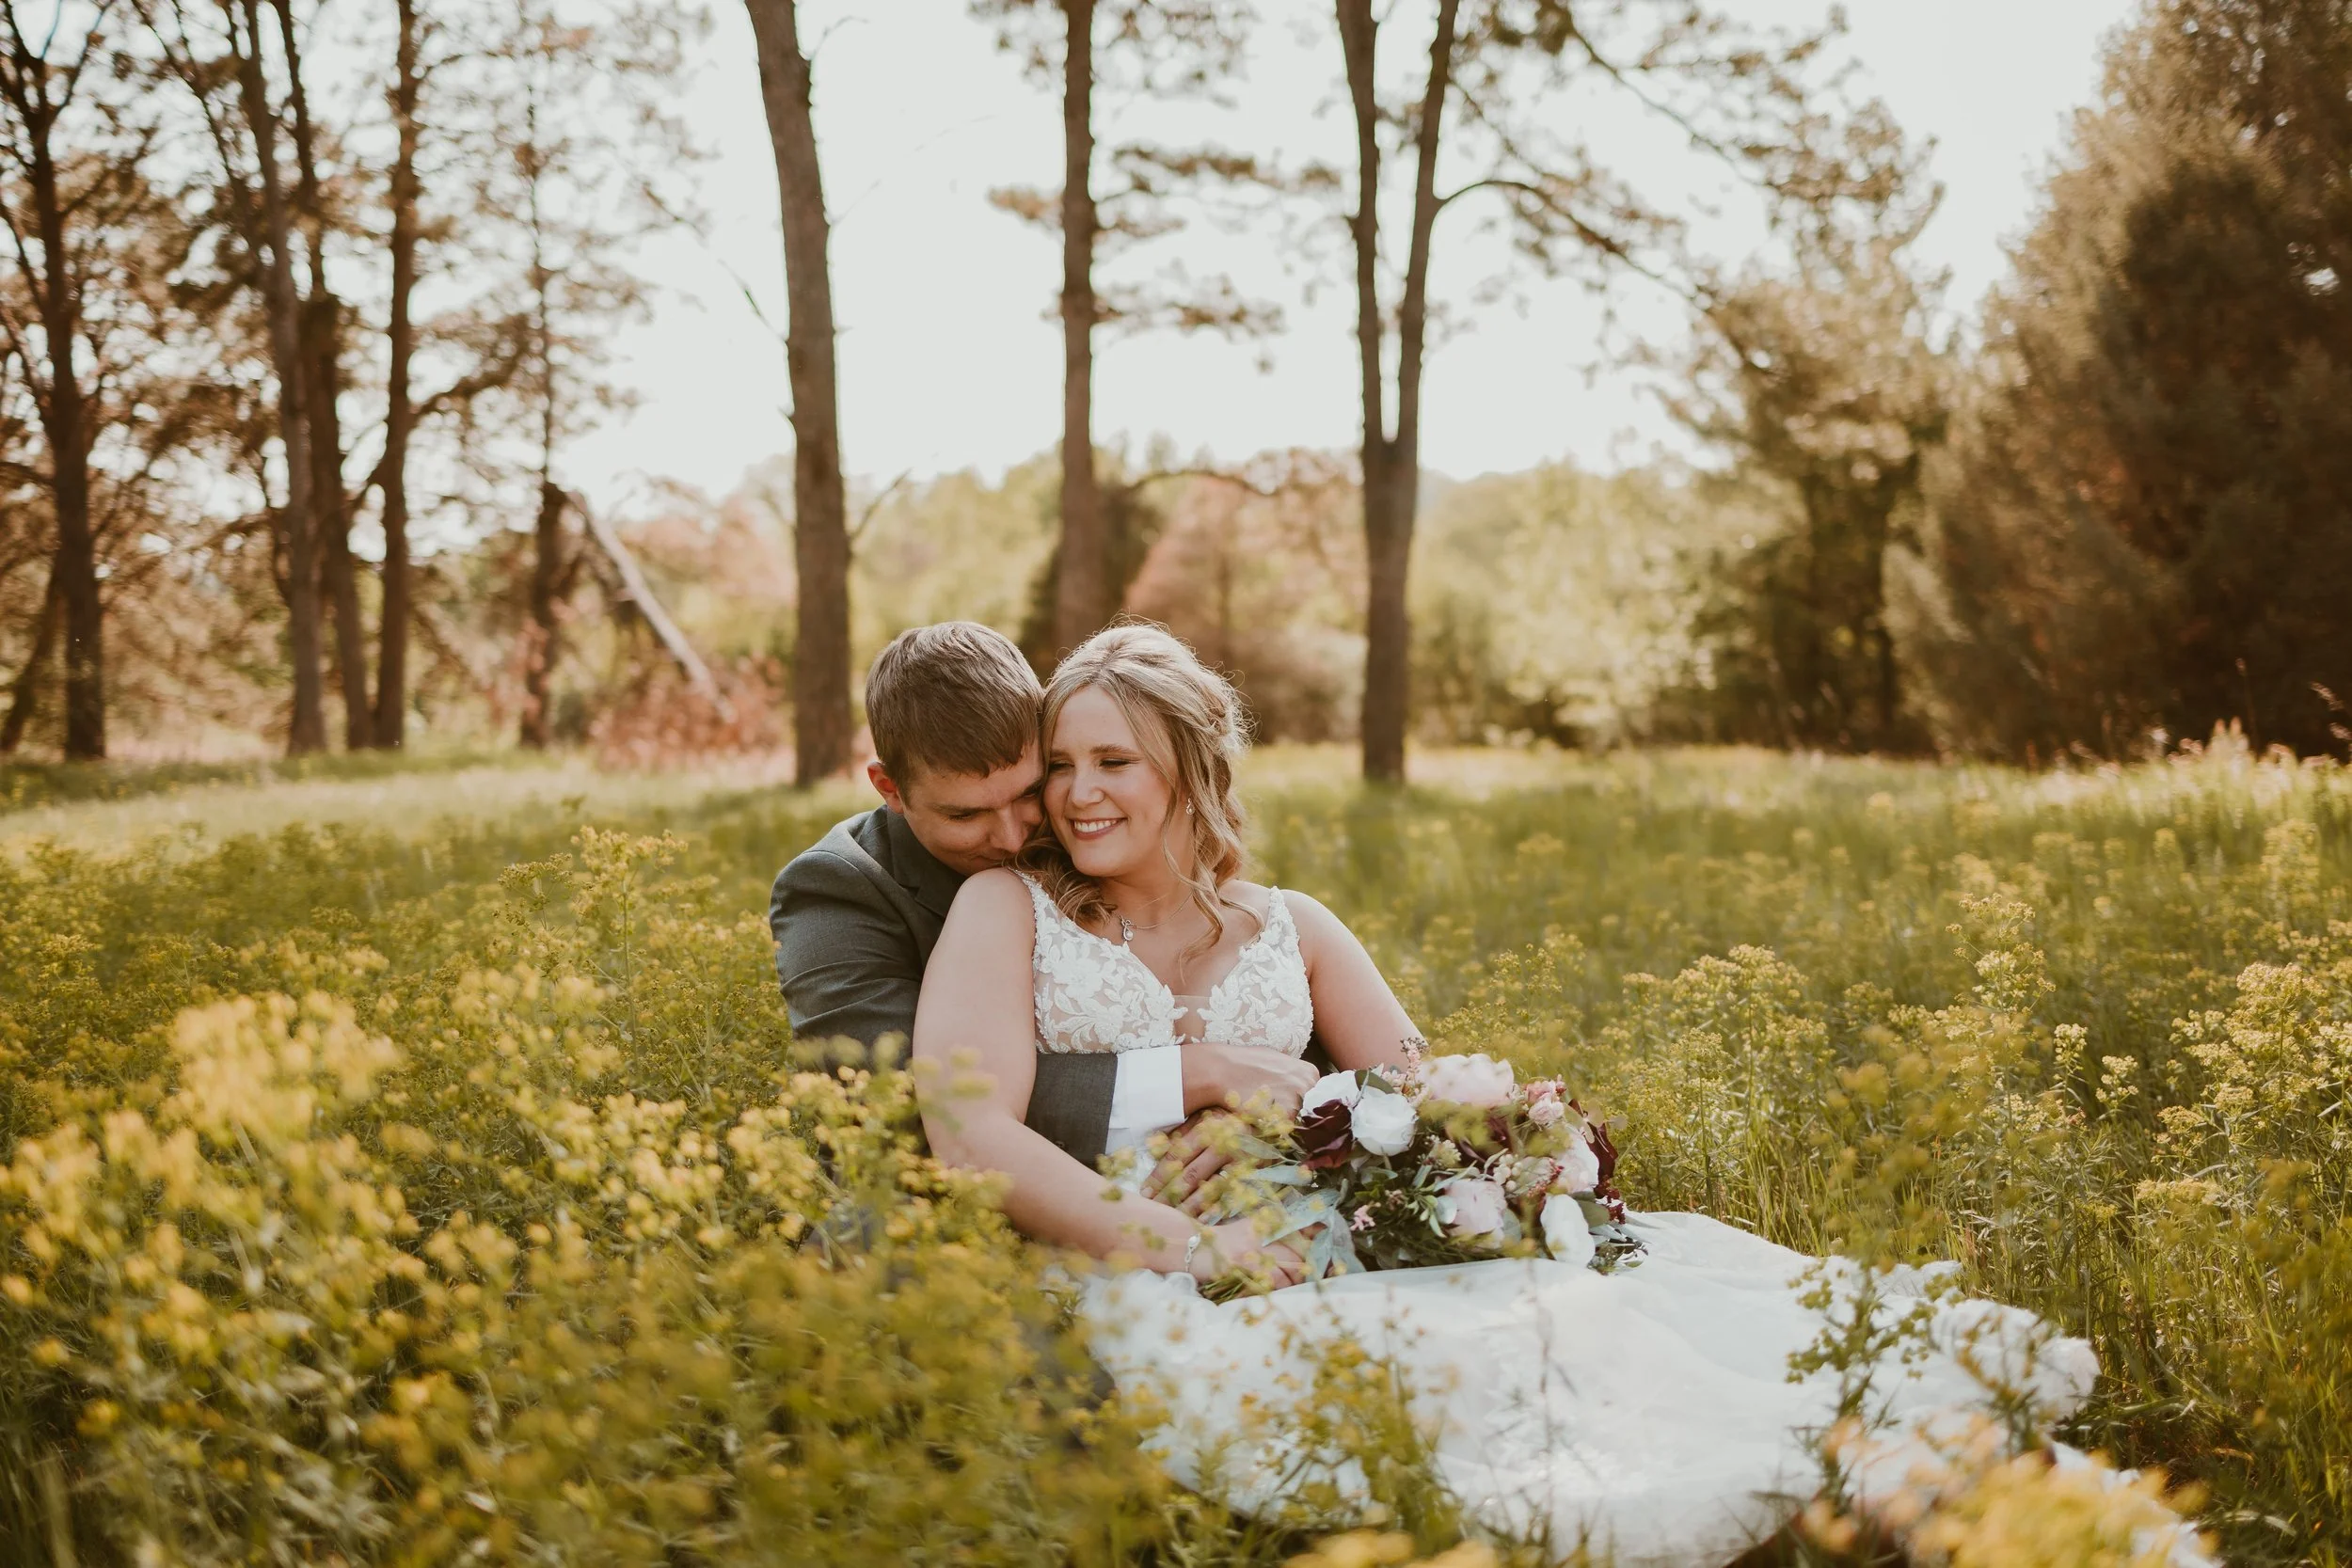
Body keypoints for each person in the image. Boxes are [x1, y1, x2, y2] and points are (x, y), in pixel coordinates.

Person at [910, 624, 2191, 1567]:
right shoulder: (1003, 908)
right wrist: (1199, 1242)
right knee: (1421, 1393)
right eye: (1062, 762)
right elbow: (971, 1131)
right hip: (1139, 1257)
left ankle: (1907, 1498)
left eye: (1112, 760)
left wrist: (1510, 1154)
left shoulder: (1292, 924)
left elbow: (1428, 1096)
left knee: (1572, 1323)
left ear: (1190, 770)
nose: (1074, 793)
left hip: (1334, 1238)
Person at [771, 621, 1319, 1170]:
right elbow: (910, 1101)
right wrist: (1199, 1079)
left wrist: (1260, 1110)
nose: (1013, 838)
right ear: (890, 788)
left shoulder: (1093, 841)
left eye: (1031, 791)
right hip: (937, 1214)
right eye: (966, 815)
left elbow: (1286, 1054)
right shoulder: (836, 888)